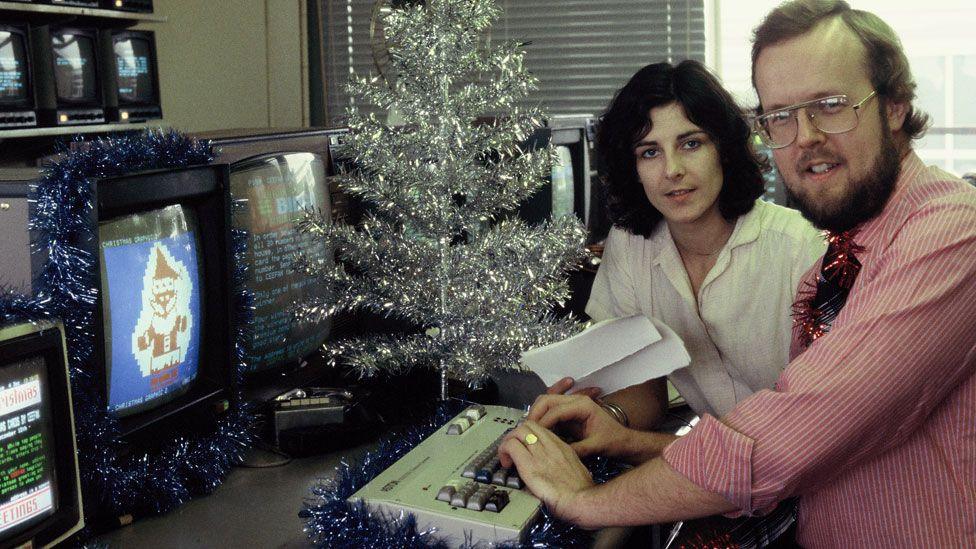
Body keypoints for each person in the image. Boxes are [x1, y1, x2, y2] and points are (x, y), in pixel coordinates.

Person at [499, 1, 976, 547]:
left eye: (831, 104)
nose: (806, 136)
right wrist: (611, 422)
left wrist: (584, 501)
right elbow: (674, 403)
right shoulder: (854, 240)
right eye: (781, 116)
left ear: (895, 106)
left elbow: (786, 441)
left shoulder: (939, 233)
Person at [547, 59, 823, 460]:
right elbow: (643, 386)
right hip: (722, 479)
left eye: (691, 143)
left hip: (814, 479)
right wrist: (604, 415)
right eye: (649, 152)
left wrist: (629, 443)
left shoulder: (802, 249)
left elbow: (811, 437)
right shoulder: (629, 247)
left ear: (723, 151)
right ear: (633, 167)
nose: (672, 170)